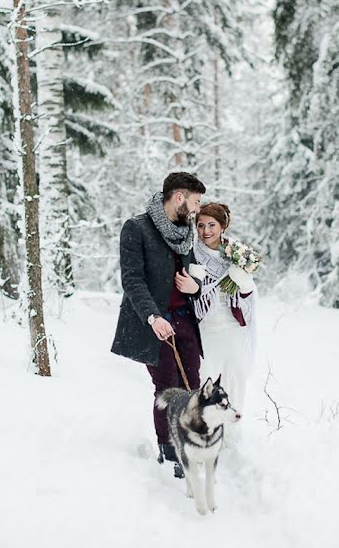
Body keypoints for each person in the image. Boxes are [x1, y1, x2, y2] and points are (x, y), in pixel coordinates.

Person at [110, 172, 206, 478]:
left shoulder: (186, 233)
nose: (197, 210)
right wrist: (154, 317)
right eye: (195, 202)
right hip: (153, 323)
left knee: (192, 384)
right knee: (167, 387)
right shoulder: (136, 228)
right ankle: (170, 449)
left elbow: (196, 275)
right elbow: (132, 281)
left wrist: (195, 287)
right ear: (179, 197)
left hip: (185, 321)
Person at [193, 203, 258, 419]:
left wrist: (244, 283)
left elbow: (248, 293)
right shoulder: (192, 254)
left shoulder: (237, 254)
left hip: (232, 327)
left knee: (235, 378)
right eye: (200, 225)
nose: (206, 231)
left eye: (211, 225)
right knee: (206, 380)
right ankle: (206, 430)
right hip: (205, 327)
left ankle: (232, 432)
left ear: (223, 226)